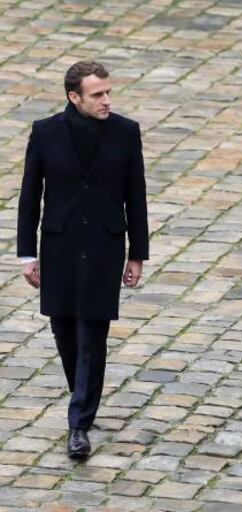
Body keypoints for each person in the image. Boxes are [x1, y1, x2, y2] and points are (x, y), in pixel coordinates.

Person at [17, 61, 149, 459]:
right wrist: (27, 254)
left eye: (108, 92)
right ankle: (84, 391)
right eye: (97, 94)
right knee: (65, 333)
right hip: (59, 248)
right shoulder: (45, 133)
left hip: (105, 248)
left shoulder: (126, 133)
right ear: (74, 97)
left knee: (92, 336)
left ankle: (79, 425)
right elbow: (29, 197)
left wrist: (137, 254)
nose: (107, 100)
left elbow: (136, 196)